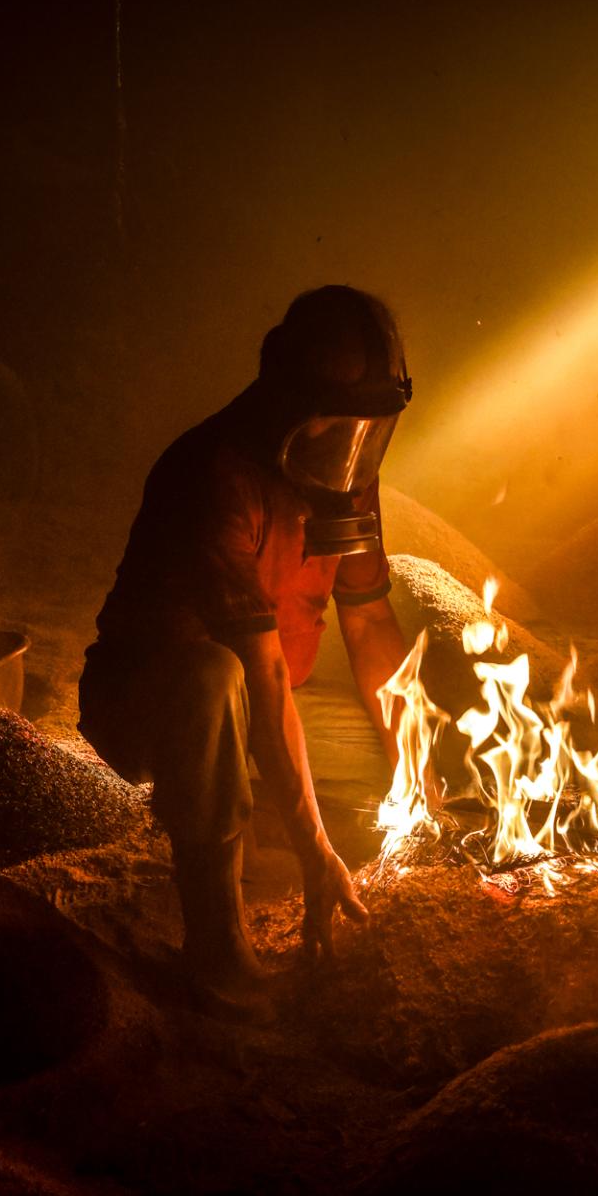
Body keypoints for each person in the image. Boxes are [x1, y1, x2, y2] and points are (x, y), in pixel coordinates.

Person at [79, 285, 419, 1019]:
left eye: (367, 423)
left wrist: (414, 760)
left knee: (388, 745)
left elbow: (368, 624)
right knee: (214, 680)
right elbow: (256, 670)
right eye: (335, 416)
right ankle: (217, 949)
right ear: (285, 395)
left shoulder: (344, 476)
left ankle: (256, 809)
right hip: (154, 707)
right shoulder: (217, 476)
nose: (349, 440)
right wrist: (313, 844)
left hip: (271, 695)